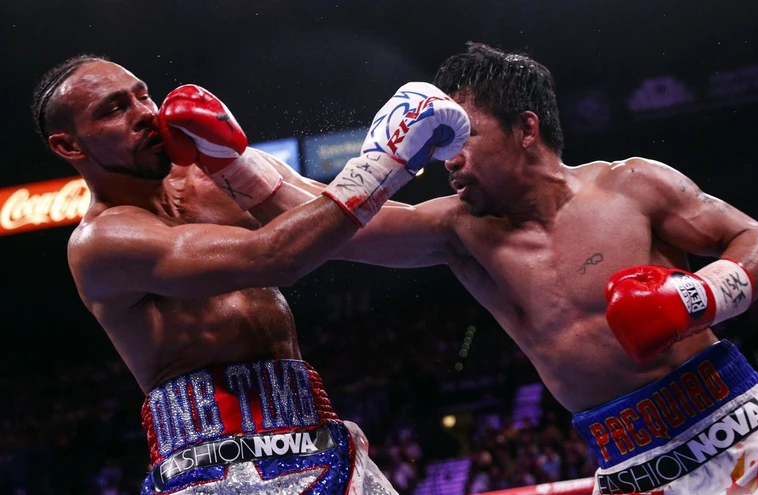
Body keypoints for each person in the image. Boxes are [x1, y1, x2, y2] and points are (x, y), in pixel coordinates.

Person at [268, 43, 758, 494]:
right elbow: (334, 221)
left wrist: (699, 297)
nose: (448, 159)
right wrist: (239, 163)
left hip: (739, 432)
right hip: (629, 467)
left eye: (462, 138)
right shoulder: (459, 229)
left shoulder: (632, 185)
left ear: (525, 128)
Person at [31, 54, 469, 494]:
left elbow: (362, 229)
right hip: (210, 469)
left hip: (320, 439)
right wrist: (385, 160)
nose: (144, 113)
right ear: (69, 146)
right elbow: (273, 256)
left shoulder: (215, 173)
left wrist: (473, 215)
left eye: (142, 96)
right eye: (113, 109)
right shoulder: (102, 242)